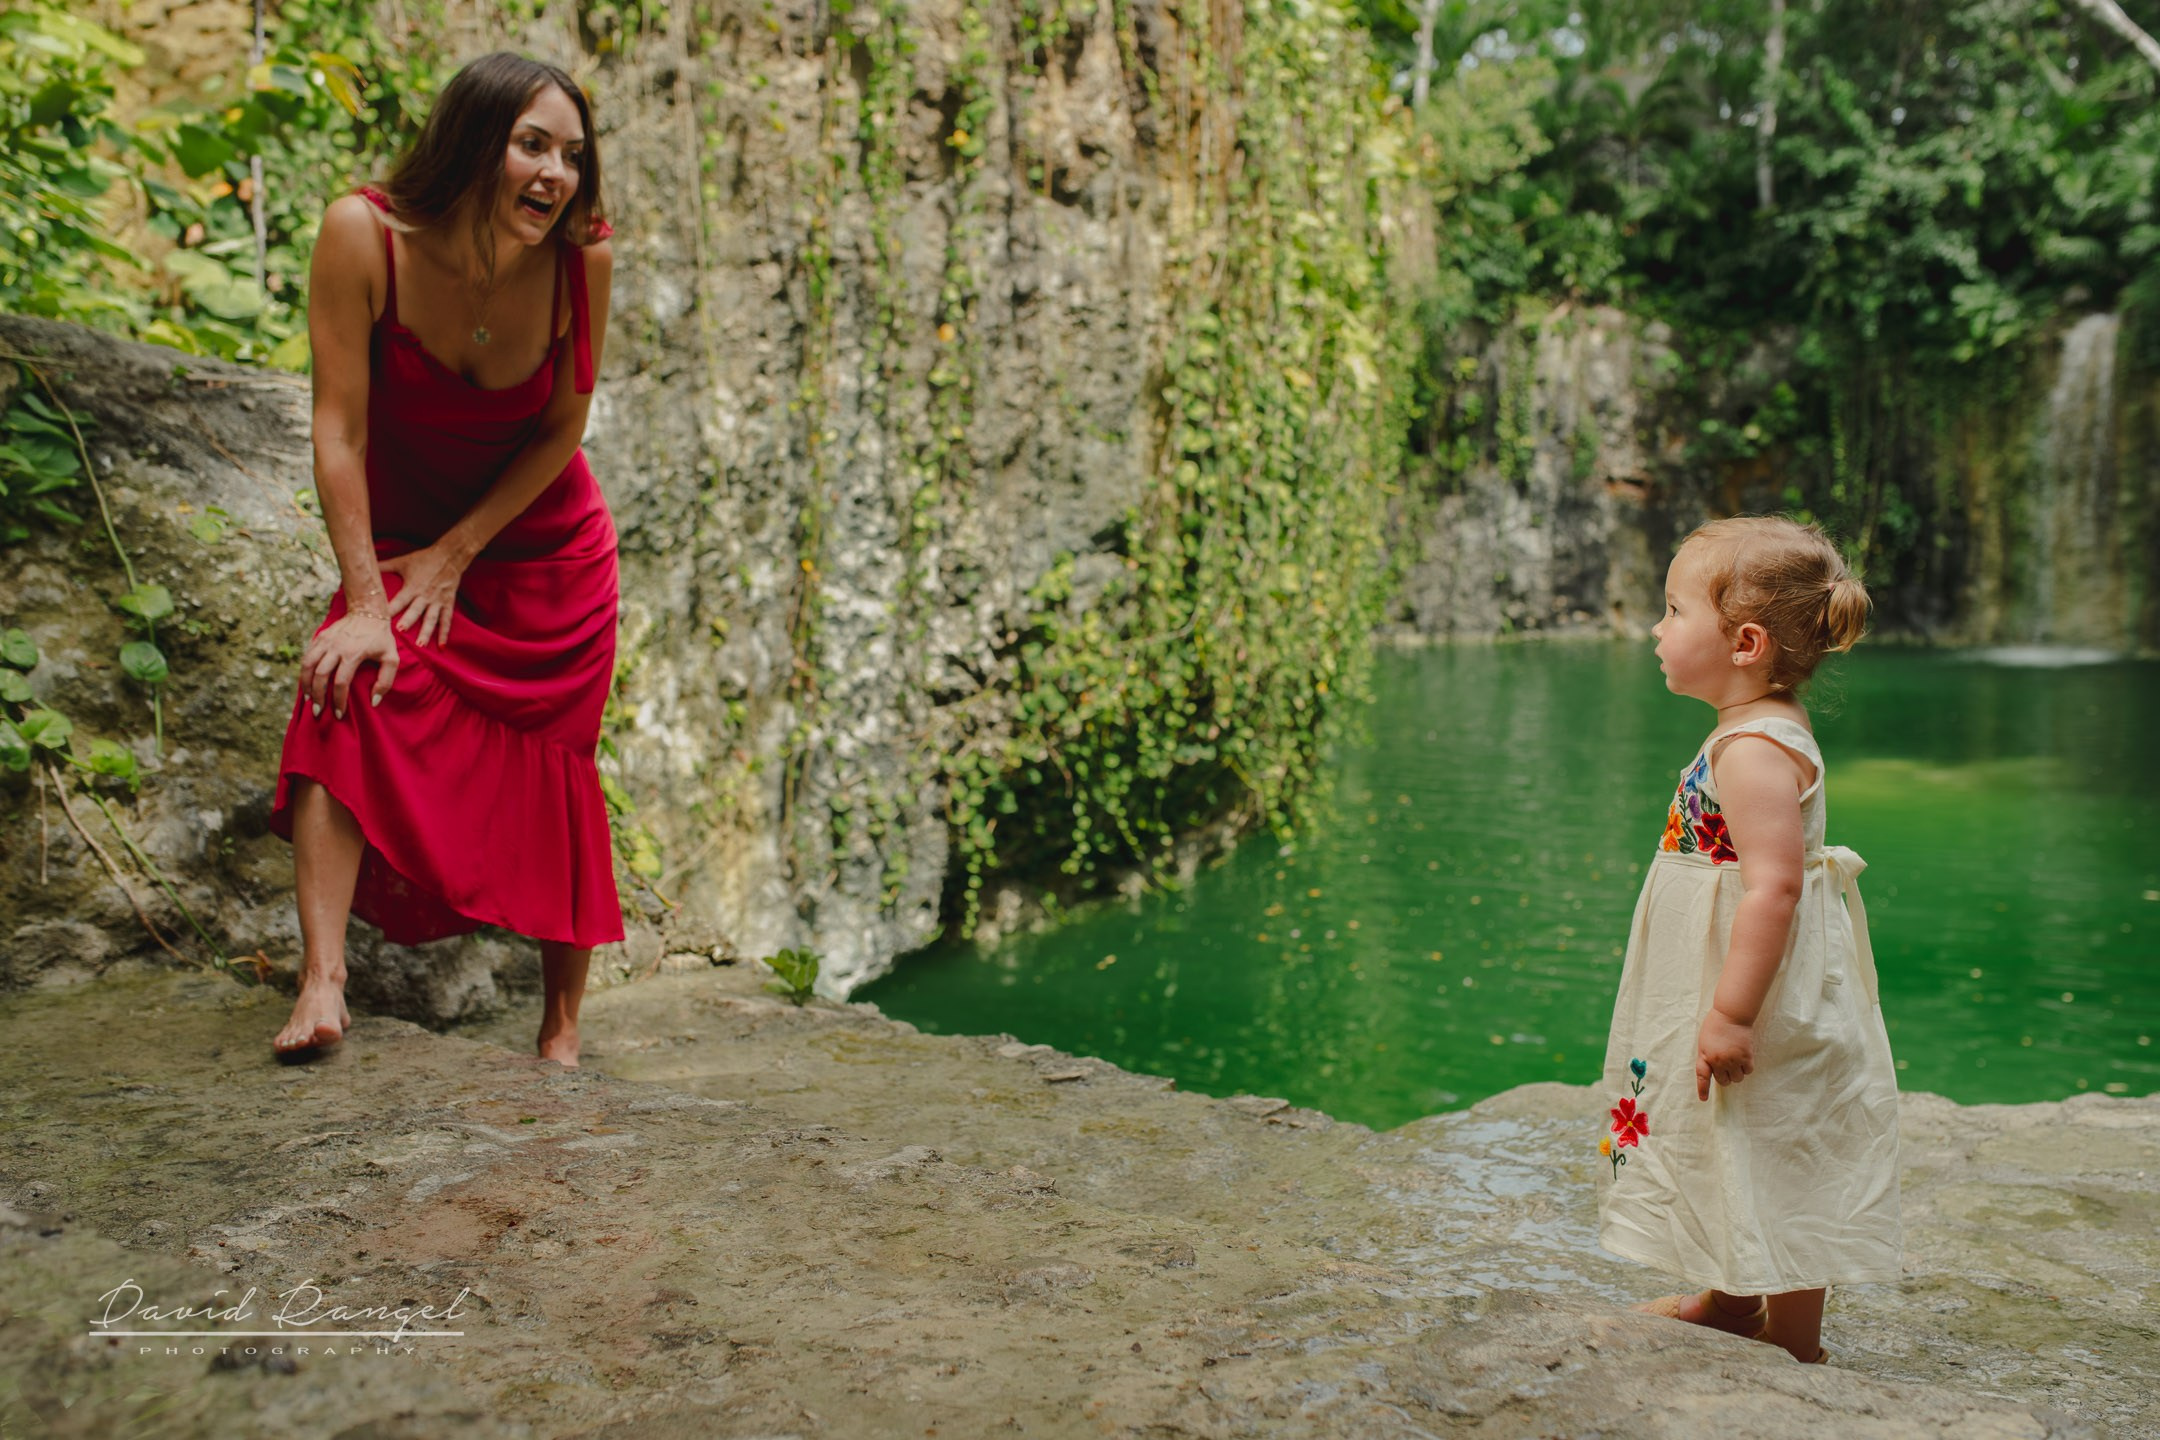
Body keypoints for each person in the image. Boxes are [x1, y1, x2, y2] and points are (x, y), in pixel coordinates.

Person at [267, 52, 622, 1067]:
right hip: (403, 535)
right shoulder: (364, 235)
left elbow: (562, 428)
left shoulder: (583, 260)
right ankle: (322, 981)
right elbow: (339, 431)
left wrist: (460, 553)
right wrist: (367, 601)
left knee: (559, 770)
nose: (556, 175)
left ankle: (562, 1032)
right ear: (471, 142)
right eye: (531, 145)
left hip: (542, 551)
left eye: (572, 155)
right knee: (344, 678)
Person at [1596, 515, 1900, 1365]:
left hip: (1756, 992)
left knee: (1780, 1142)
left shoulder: (1755, 750)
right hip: (1726, 974)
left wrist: (1731, 1014)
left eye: (1673, 610)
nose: (1656, 629)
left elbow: (1772, 887)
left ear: (1745, 644)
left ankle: (1795, 1341)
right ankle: (1730, 1299)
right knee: (1726, 1133)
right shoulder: (1754, 724)